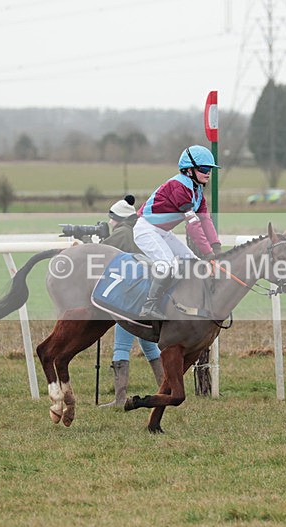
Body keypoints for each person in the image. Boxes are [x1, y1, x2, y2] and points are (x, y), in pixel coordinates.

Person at [133, 145, 222, 319]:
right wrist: (209, 253)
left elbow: (206, 221)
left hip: (163, 232)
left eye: (210, 169)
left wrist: (217, 247)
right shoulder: (178, 187)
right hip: (146, 229)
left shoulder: (197, 192)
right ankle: (149, 305)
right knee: (167, 266)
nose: (208, 173)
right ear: (189, 170)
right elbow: (193, 226)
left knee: (194, 263)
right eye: (204, 169)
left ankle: (181, 302)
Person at [99, 194, 164, 407]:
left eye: (111, 218)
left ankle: (119, 398)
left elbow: (101, 254)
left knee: (121, 345)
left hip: (130, 297)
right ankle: (166, 389)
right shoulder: (139, 230)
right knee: (149, 346)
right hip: (148, 295)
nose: (109, 222)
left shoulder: (122, 233)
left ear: (118, 218)